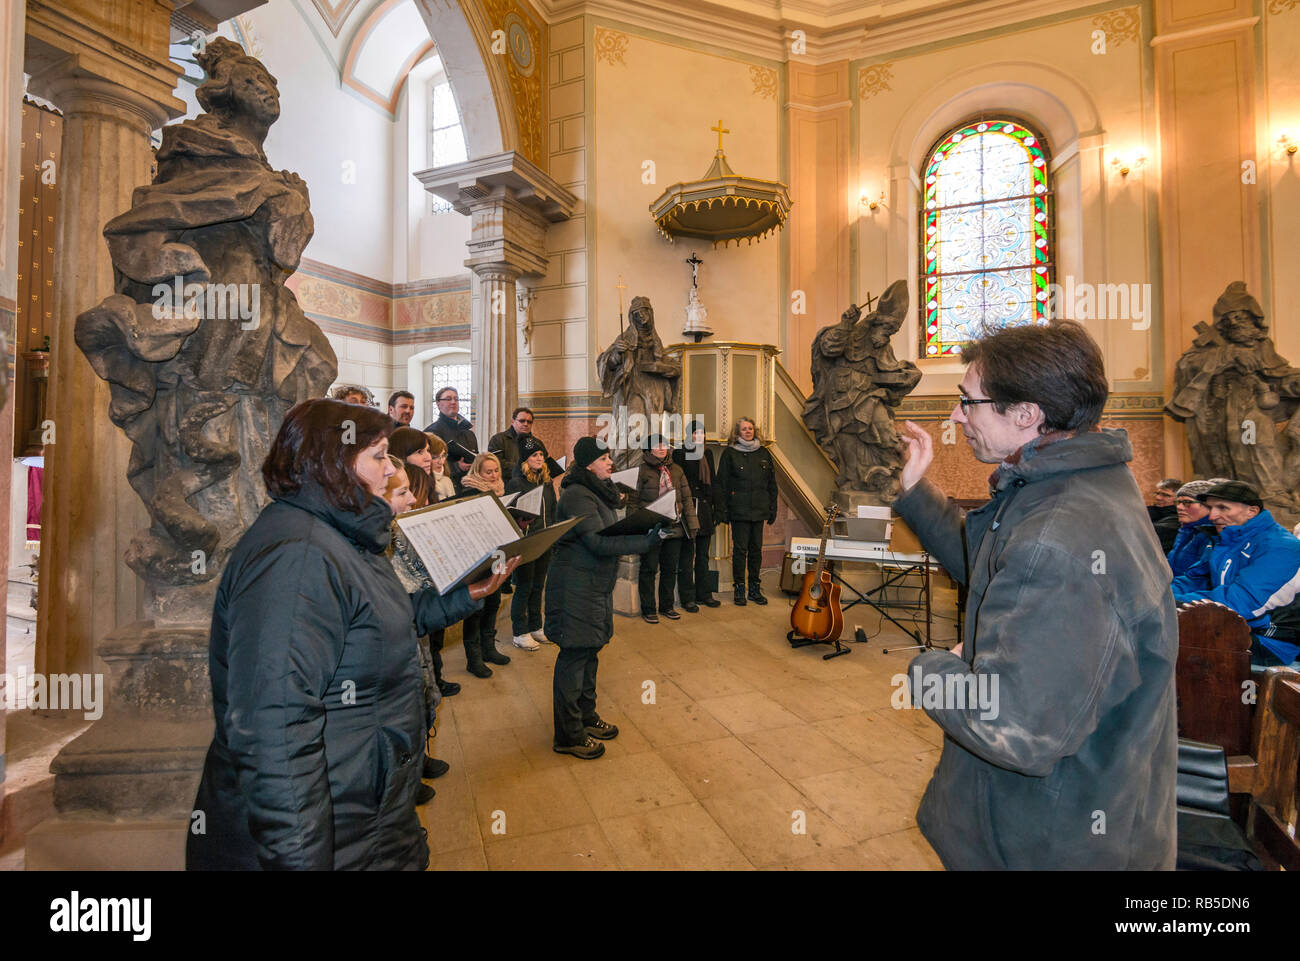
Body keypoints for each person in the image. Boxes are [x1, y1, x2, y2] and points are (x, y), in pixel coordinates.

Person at [894, 319, 1177, 870]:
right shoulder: (1080, 485)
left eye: (968, 401)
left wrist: (932, 670)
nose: (956, 416)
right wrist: (916, 492)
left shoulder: (1060, 535)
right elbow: (1000, 568)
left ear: (1025, 414)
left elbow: (1010, 729)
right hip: (1082, 818)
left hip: (1049, 842)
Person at [186, 398, 511, 871]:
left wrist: (465, 596)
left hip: (364, 809)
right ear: (331, 462)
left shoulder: (342, 534)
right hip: (335, 827)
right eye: (379, 456)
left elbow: (376, 627)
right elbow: (276, 730)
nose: (392, 473)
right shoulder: (296, 557)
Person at [545, 438, 664, 759]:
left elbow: (608, 533)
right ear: (587, 464)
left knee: (590, 651)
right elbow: (598, 543)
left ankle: (585, 716)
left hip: (592, 586)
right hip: (575, 588)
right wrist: (645, 541)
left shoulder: (597, 492)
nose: (610, 462)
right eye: (604, 458)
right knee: (574, 656)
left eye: (609, 456)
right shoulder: (576, 496)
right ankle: (568, 735)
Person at [383, 456, 457, 805]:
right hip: (402, 633)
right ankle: (407, 777)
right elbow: (413, 582)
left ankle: (419, 759)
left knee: (426, 690)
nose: (414, 500)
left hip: (417, 626)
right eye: (405, 493)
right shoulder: (387, 537)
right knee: (409, 704)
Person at [1172, 480, 1300, 667]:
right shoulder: (1227, 539)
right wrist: (1161, 595)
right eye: (1210, 507)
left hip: (1270, 641)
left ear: (1252, 511)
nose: (1213, 516)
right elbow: (1195, 579)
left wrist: (1170, 603)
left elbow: (1244, 602)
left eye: (1223, 508)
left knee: (1176, 652)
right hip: (1229, 625)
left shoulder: (1281, 546)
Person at [630, 434, 699, 623]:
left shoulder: (676, 470)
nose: (662, 448)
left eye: (664, 445)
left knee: (670, 569)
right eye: (657, 445)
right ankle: (648, 608)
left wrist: (692, 525)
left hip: (674, 526)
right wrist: (636, 527)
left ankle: (667, 606)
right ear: (648, 449)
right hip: (651, 528)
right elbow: (633, 502)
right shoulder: (641, 471)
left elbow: (686, 499)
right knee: (649, 569)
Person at [456, 453, 512, 677]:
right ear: (477, 472)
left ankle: (489, 649)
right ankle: (474, 658)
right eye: (488, 472)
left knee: (493, 603)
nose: (493, 475)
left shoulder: (500, 490)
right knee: (475, 609)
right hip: (475, 557)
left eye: (496, 470)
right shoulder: (470, 492)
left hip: (495, 554)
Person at [715, 417, 778, 606]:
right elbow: (722, 484)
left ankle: (755, 589)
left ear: (754, 431)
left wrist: (772, 508)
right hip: (739, 511)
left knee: (756, 550)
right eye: (744, 429)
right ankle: (739, 589)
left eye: (750, 428)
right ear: (738, 432)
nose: (748, 431)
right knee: (740, 550)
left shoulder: (764, 453)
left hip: (759, 510)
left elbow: (772, 484)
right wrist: (722, 510)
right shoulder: (730, 454)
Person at [506, 435, 558, 650]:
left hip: (544, 539)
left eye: (541, 455)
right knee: (524, 587)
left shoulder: (545, 481)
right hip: (527, 540)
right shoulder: (517, 482)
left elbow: (552, 508)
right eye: (534, 455)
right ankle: (520, 631)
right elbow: (510, 513)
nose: (539, 459)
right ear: (525, 459)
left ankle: (536, 625)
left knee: (538, 586)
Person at [673, 419, 721, 609]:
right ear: (688, 435)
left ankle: (704, 594)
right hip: (689, 508)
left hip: (705, 509)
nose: (698, 436)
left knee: (703, 555)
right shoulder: (680, 453)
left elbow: (713, 481)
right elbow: (678, 482)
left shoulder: (707, 453)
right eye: (694, 432)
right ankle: (688, 597)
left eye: (701, 433)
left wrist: (717, 508)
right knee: (687, 555)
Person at [425, 387, 478, 492]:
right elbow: (428, 463)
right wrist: (457, 467)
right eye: (448, 399)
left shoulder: (468, 431)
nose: (453, 402)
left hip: (470, 485)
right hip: (445, 487)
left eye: (456, 399)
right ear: (438, 404)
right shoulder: (432, 432)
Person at [1167, 478, 1224, 577]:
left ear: (1209, 506)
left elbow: (1202, 579)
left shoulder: (1212, 535)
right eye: (1178, 502)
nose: (1179, 507)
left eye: (1187, 502)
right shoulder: (1186, 531)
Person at [489, 406, 563, 480]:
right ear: (512, 421)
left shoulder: (537, 443)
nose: (526, 424)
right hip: (507, 486)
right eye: (522, 421)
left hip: (533, 486)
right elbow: (496, 464)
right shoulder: (498, 439)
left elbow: (548, 466)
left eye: (529, 422)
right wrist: (526, 468)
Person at [1148, 477, 1183, 553]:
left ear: (1179, 500)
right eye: (1157, 493)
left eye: (1165, 495)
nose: (1158, 498)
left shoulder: (1178, 519)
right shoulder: (1149, 512)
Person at [424, 433, 457, 502]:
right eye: (435, 457)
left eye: (443, 455)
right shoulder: (422, 485)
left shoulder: (447, 481)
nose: (441, 462)